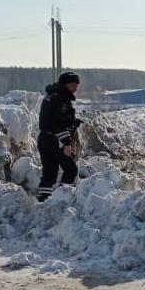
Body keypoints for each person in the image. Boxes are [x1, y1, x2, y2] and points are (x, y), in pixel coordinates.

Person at [37, 71, 82, 201]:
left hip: (44, 139)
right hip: (55, 141)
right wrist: (67, 143)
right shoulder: (60, 99)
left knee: (49, 173)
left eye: (77, 85)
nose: (76, 88)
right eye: (73, 84)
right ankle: (62, 198)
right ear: (66, 84)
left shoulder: (51, 96)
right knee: (71, 169)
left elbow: (52, 120)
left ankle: (44, 200)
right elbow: (59, 124)